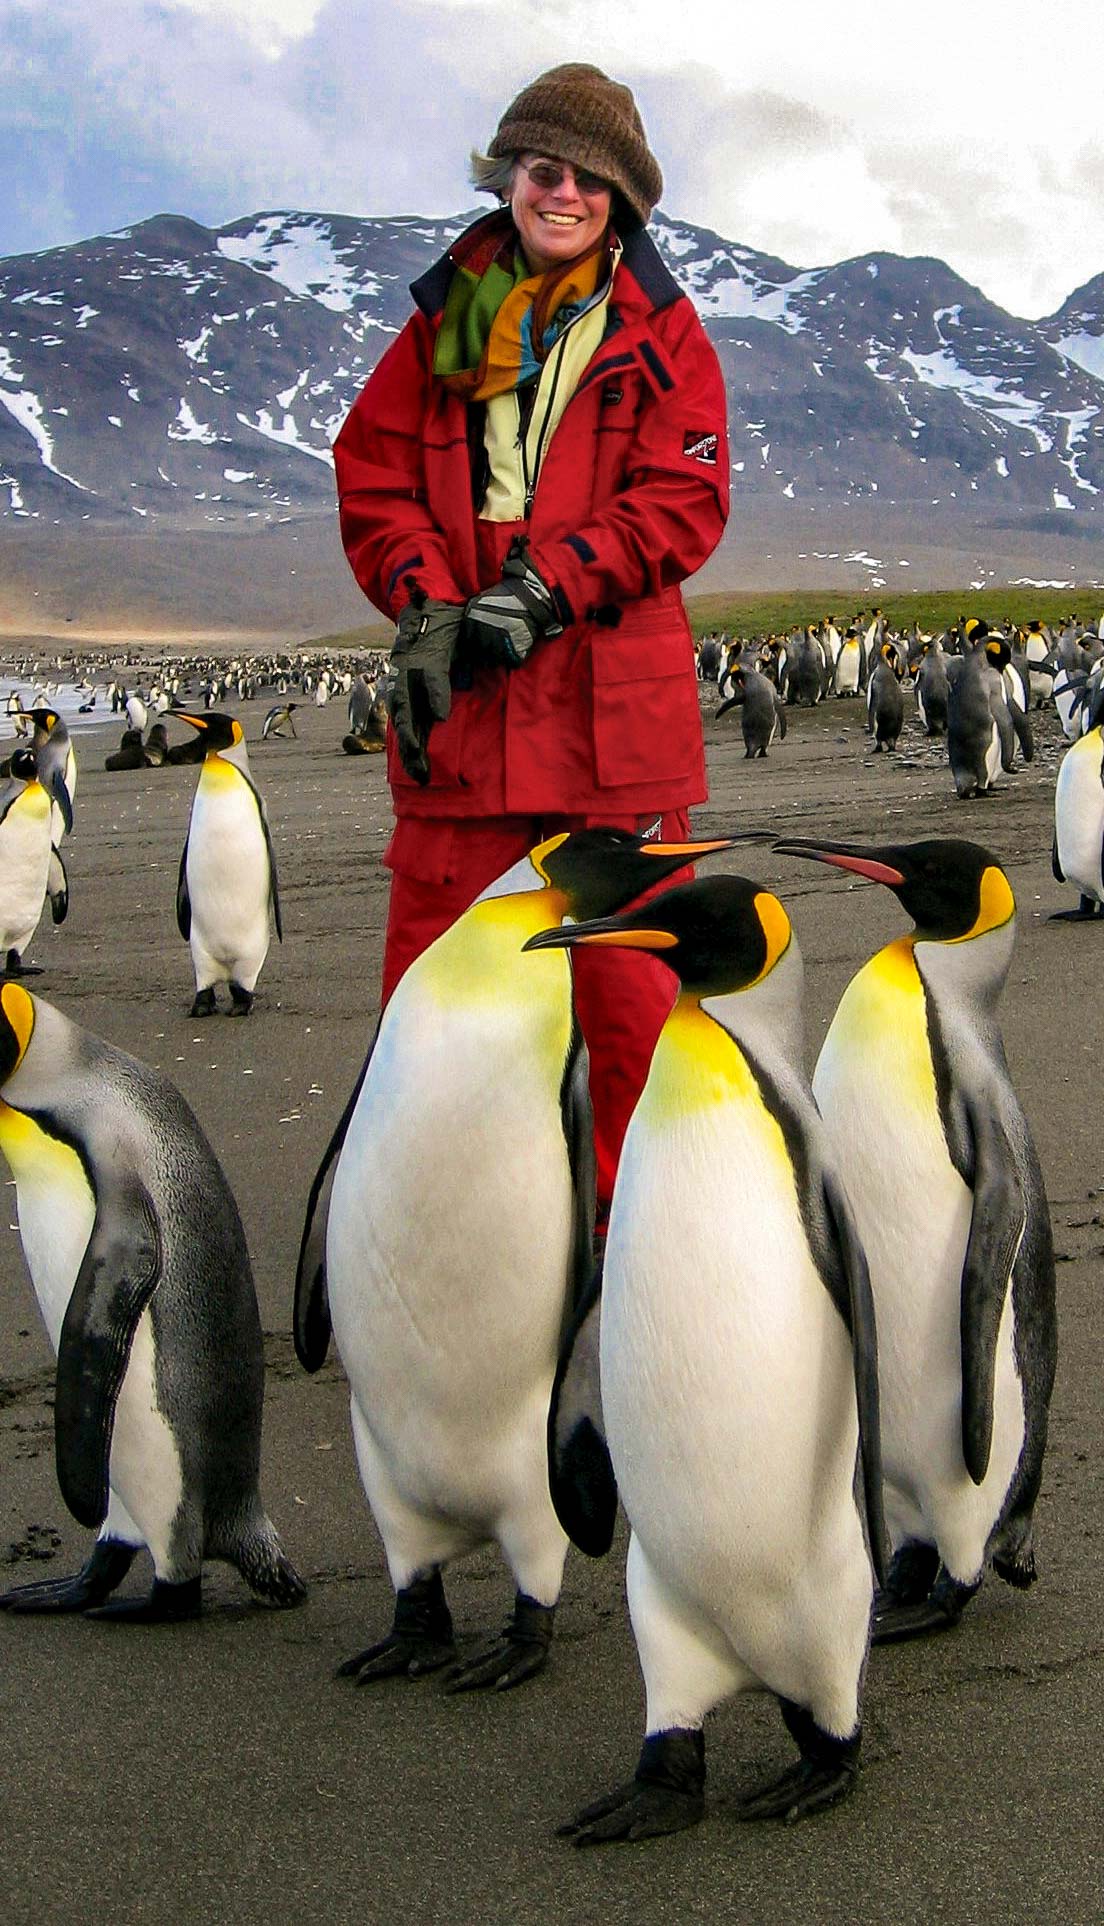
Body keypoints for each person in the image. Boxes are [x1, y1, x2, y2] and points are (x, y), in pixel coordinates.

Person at [333, 62, 730, 1223]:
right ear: (508, 176)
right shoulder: (443, 323)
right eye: (542, 169)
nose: (562, 193)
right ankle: (452, 1250)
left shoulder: (665, 333)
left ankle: (630, 1251)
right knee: (435, 1026)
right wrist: (424, 602)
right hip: (468, 719)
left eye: (588, 179)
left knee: (630, 1019)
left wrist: (550, 586)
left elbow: (684, 498)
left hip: (613, 729)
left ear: (623, 200)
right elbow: (374, 475)